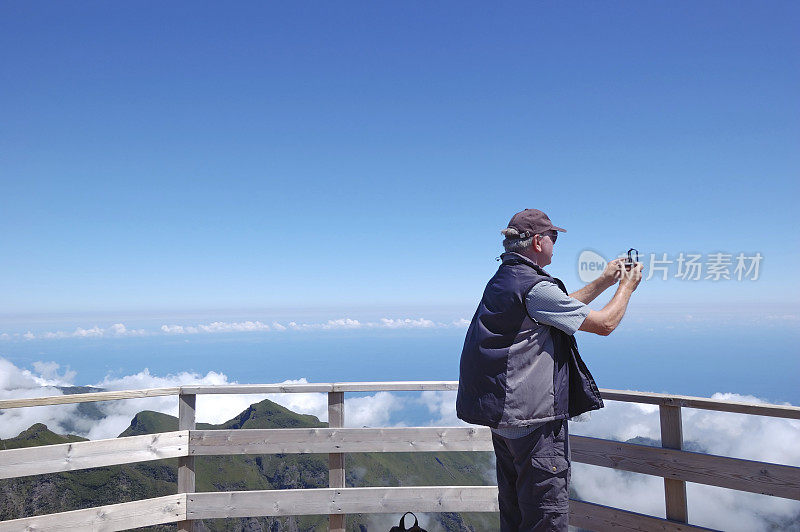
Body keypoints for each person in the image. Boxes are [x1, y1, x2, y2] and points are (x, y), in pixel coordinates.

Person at [456, 208, 643, 532]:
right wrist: (626, 287)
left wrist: (602, 281)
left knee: (515, 516)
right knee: (546, 518)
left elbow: (556, 308)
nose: (556, 244)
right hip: (533, 422)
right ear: (539, 241)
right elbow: (605, 324)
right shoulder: (533, 286)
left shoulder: (507, 280)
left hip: (505, 420)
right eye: (553, 238)